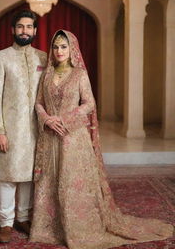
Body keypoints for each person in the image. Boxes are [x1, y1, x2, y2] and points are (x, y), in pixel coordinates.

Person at [29, 30, 174, 249]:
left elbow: (89, 104)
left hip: (73, 138)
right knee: (50, 181)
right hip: (50, 137)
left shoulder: (79, 74)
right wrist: (47, 119)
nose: (59, 51)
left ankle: (78, 228)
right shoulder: (47, 74)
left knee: (70, 183)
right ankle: (49, 228)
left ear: (72, 50)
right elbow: (39, 102)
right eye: (56, 47)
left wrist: (65, 118)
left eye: (64, 47)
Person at [0, 10, 47, 243]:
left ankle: (22, 217)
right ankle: (5, 223)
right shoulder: (1, 57)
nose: (25, 31)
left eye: (29, 27)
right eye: (20, 27)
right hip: (10, 129)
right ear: (13, 30)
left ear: (35, 31)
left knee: (28, 175)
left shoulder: (43, 58)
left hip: (36, 129)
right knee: (8, 175)